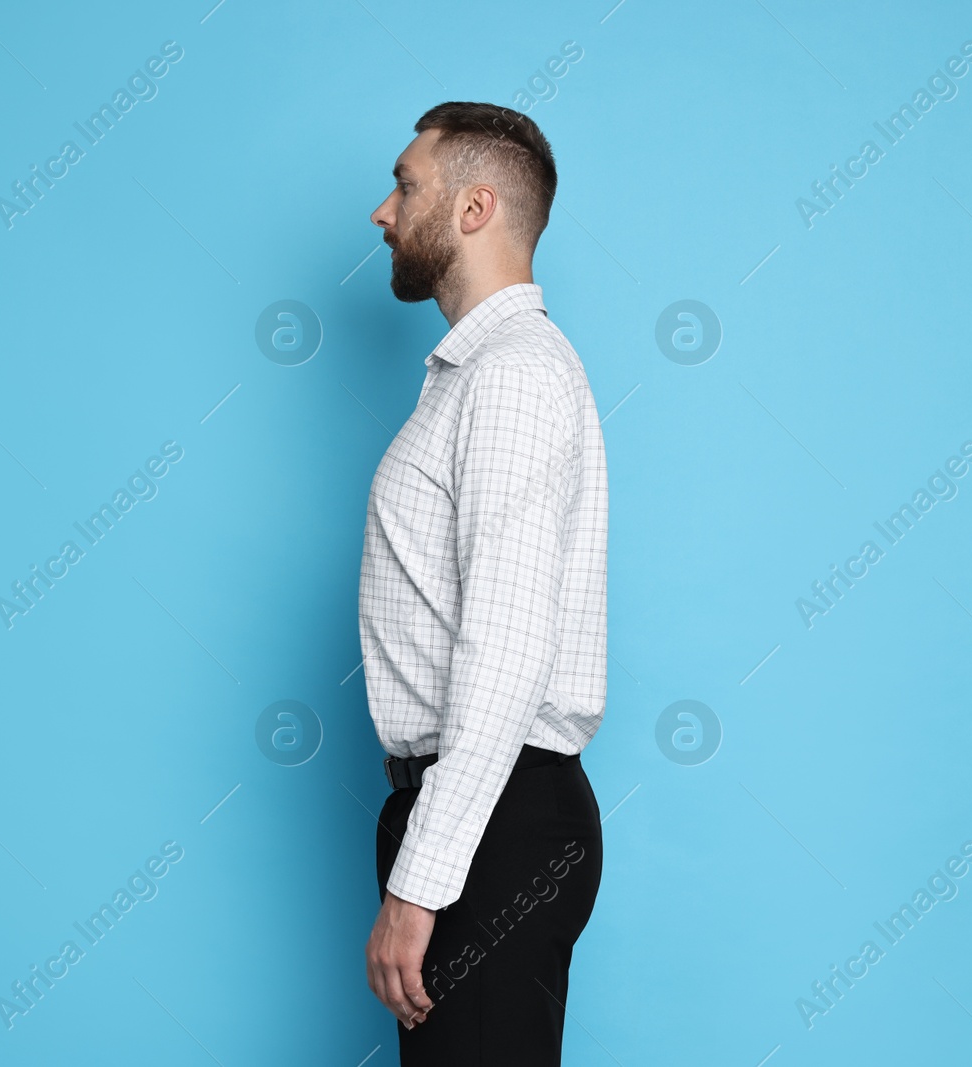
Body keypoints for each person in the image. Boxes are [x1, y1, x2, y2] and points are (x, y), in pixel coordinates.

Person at [358, 101, 609, 1065]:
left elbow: (506, 647)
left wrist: (421, 882)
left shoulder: (509, 377)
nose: (383, 211)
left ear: (474, 207)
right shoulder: (475, 375)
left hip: (492, 823)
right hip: (478, 819)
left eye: (406, 185)